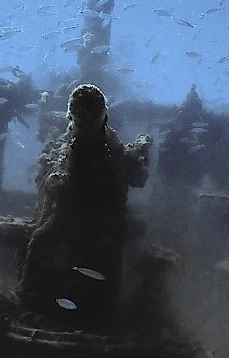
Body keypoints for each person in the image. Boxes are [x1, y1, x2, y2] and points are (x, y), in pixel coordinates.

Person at [17, 84, 150, 320]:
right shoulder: (104, 144)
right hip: (73, 213)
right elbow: (137, 176)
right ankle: (29, 296)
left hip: (99, 217)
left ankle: (104, 309)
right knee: (40, 240)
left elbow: (135, 176)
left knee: (43, 240)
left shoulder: (110, 145)